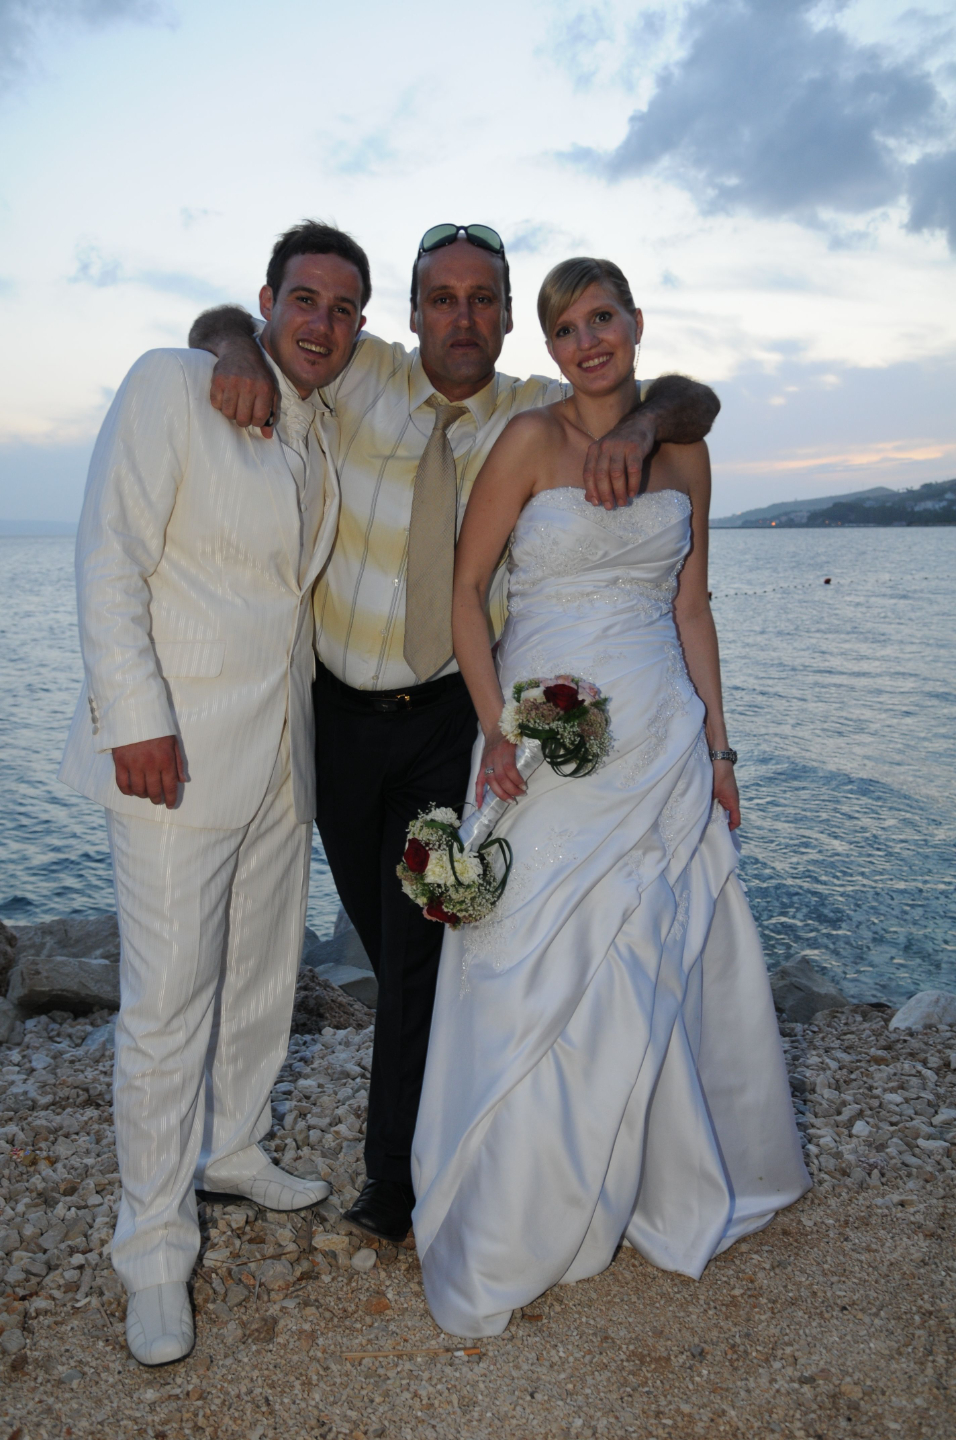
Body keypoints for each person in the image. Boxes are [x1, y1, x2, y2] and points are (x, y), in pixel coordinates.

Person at [188, 225, 722, 1246]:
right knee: (387, 945)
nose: (463, 317)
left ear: (509, 317)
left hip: (448, 716)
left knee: (423, 944)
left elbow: (692, 399)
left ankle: (397, 1182)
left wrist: (648, 421)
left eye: (483, 299)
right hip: (336, 716)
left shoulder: (537, 405)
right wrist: (229, 346)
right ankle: (441, 1121)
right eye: (443, 298)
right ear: (413, 313)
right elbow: (239, 324)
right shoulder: (358, 373)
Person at [410, 257, 810, 1339]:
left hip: (660, 736)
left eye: (602, 319)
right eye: (565, 328)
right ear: (548, 348)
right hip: (544, 738)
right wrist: (496, 729)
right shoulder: (528, 442)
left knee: (659, 947)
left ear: (636, 324)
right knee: (529, 952)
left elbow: (691, 608)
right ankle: (521, 1201)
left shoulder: (682, 450)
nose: (586, 341)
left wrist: (720, 752)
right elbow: (464, 592)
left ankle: (659, 1179)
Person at [58, 222, 371, 1365]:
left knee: (261, 975)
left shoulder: (315, 430)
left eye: (343, 309)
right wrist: (133, 717)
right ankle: (150, 1251)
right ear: (266, 300)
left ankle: (232, 1149)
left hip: (279, 754)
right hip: (172, 753)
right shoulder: (173, 384)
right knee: (165, 1008)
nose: (322, 323)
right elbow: (110, 556)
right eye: (305, 298)